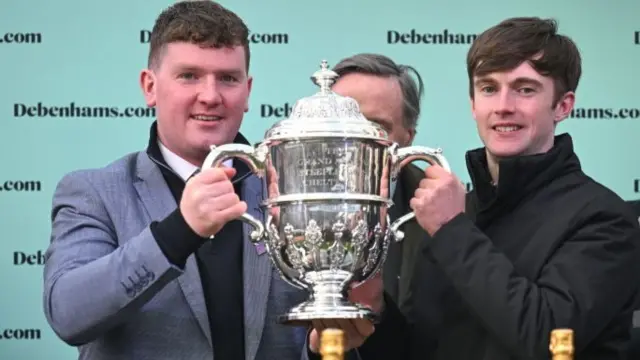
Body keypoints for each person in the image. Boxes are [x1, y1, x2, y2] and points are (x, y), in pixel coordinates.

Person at [351, 17, 640, 359]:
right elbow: (420, 350)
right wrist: (375, 313)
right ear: (473, 105)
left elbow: (548, 339)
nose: (504, 106)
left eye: (525, 89)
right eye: (489, 88)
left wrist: (451, 230)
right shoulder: (457, 216)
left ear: (563, 106)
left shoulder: (605, 220)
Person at [42, 1, 310, 359]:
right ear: (149, 87)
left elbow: (318, 337)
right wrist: (180, 230)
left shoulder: (291, 192)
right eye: (189, 76)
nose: (211, 95)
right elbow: (69, 313)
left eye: (228, 78)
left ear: (247, 91)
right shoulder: (94, 193)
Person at [300, 53, 431, 356]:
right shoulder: (277, 204)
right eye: (343, 122)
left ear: (407, 138)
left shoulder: (445, 218)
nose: (354, 138)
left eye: (376, 126)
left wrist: (379, 312)